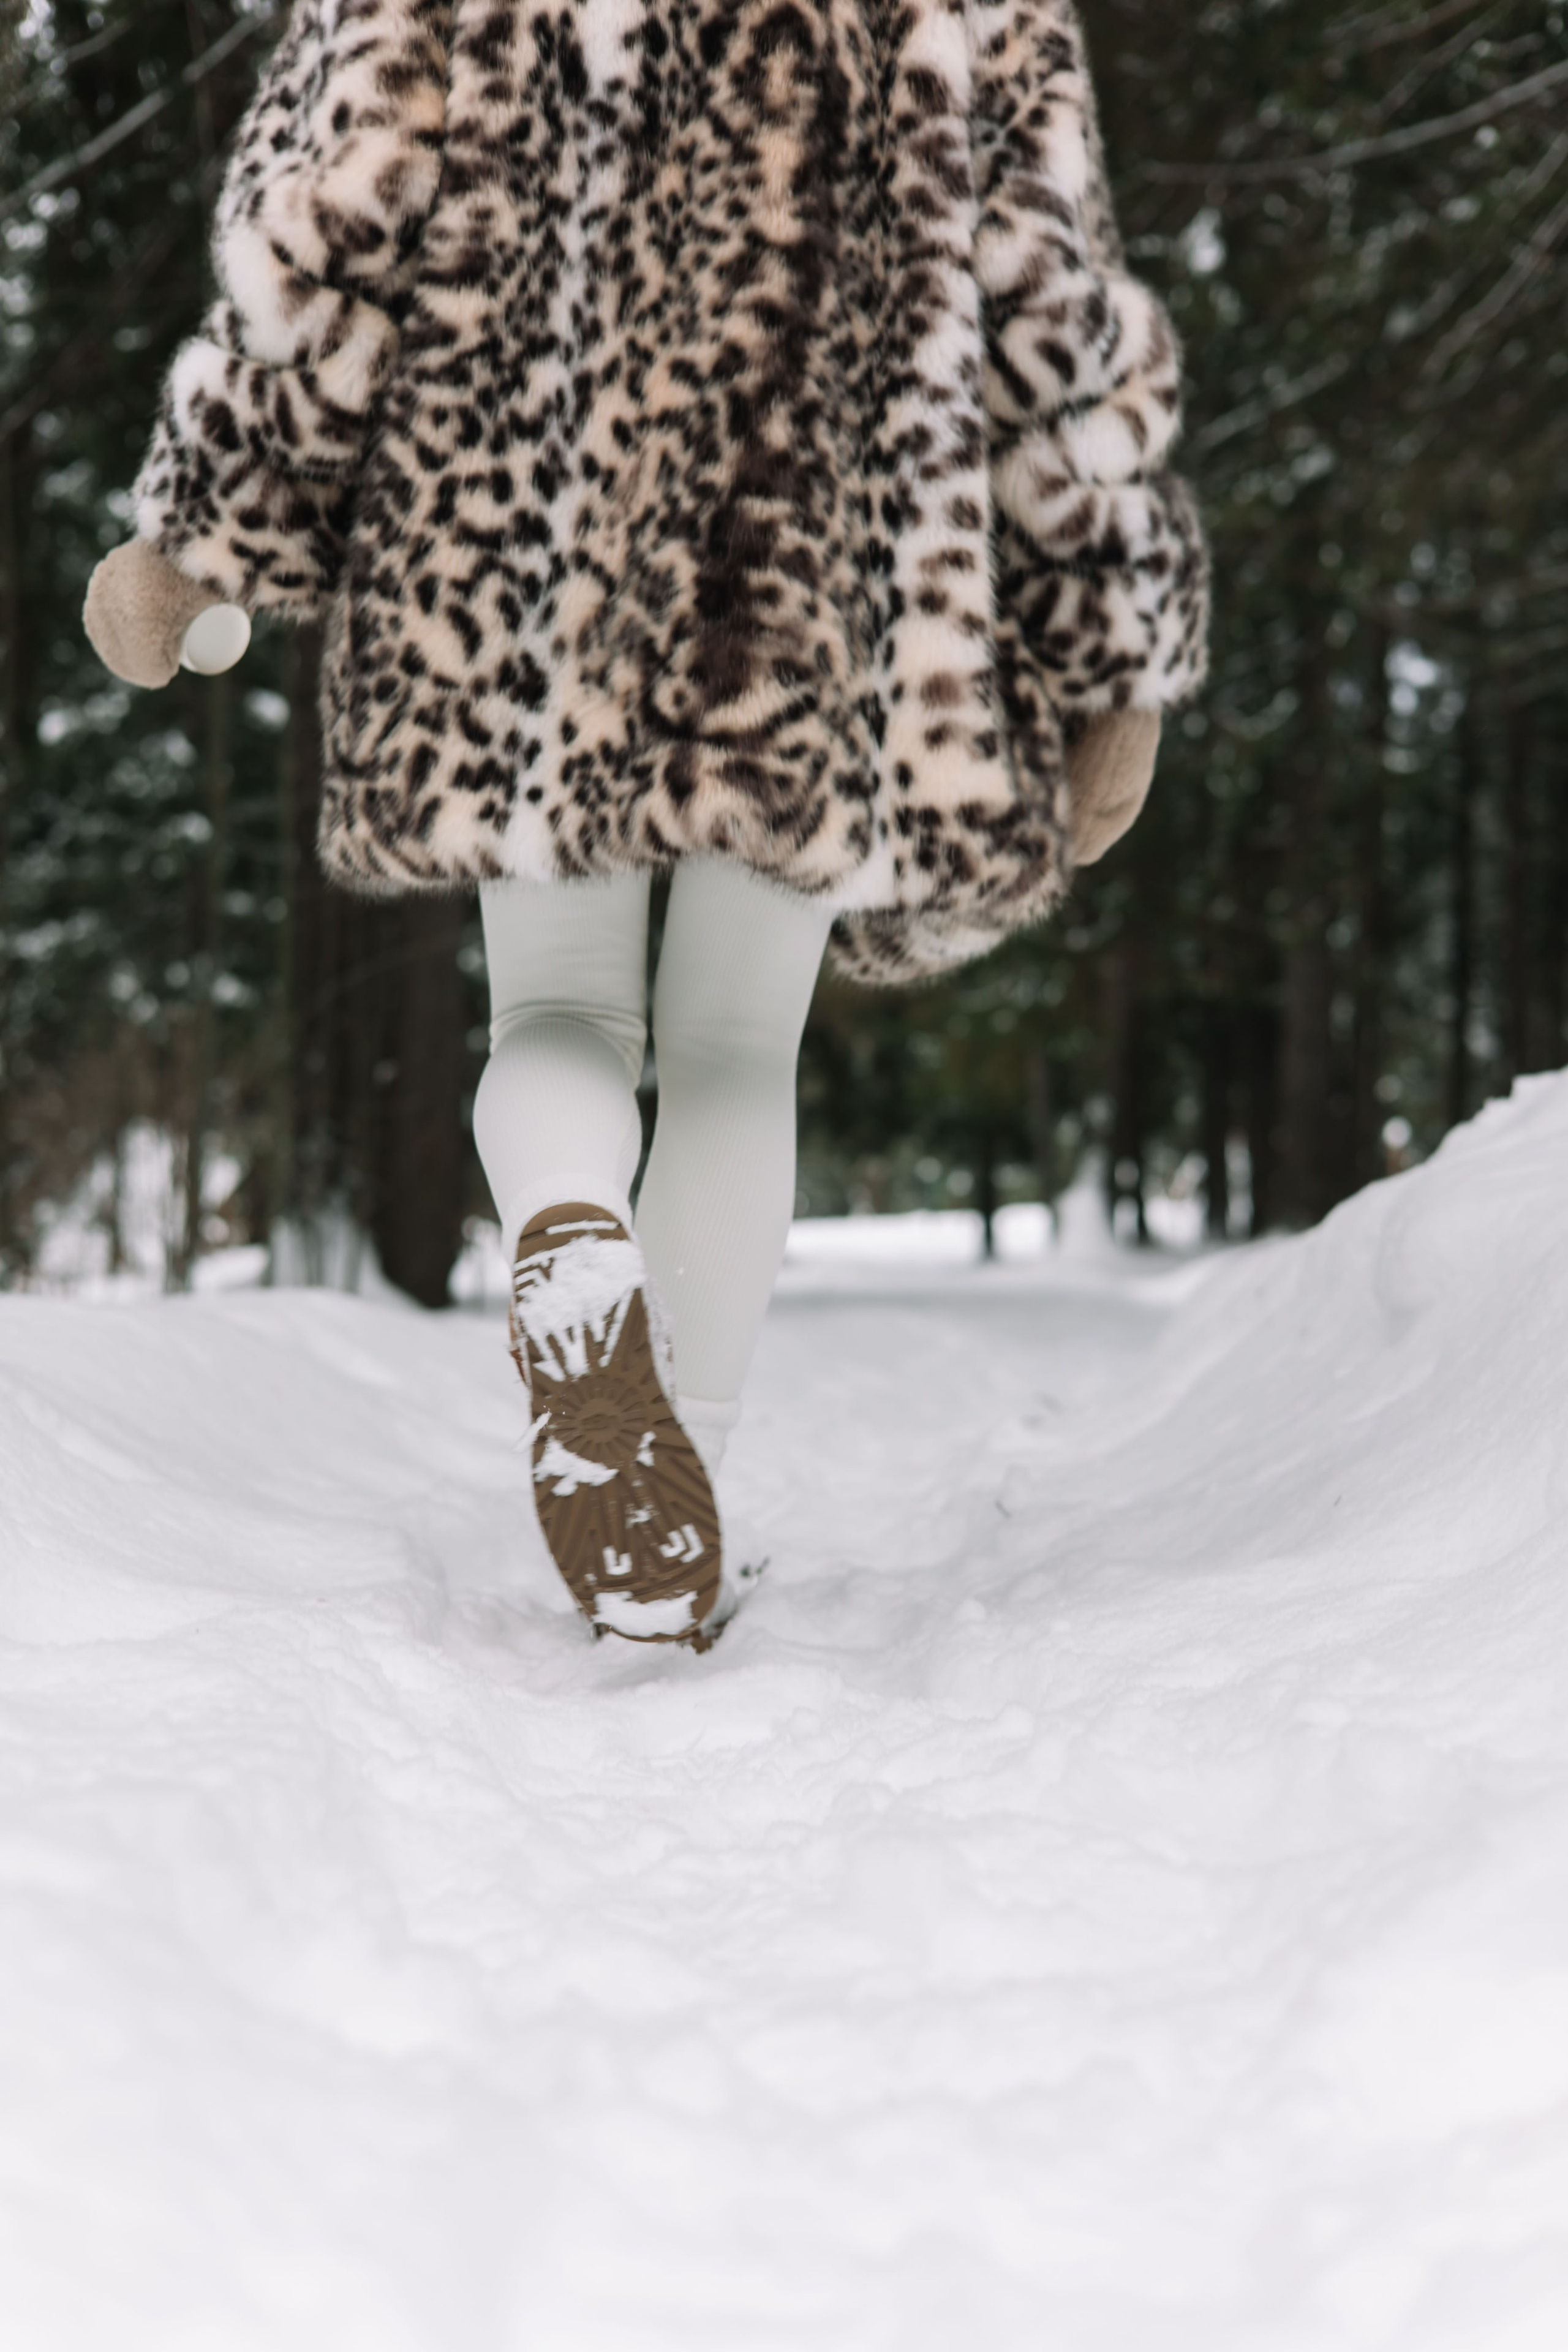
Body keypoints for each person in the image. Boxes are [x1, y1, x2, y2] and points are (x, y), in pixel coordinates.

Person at [85, 0, 1208, 1649]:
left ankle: (565, 1238)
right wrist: (1112, 643)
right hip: (828, 529)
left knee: (558, 1012)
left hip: (522, 519)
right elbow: (1045, 289)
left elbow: (325, 222)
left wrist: (194, 537)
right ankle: (683, 1494)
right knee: (738, 1047)